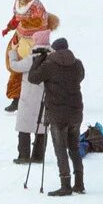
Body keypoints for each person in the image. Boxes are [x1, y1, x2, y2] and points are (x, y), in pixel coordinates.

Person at [25, 36, 87, 195]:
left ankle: (65, 185)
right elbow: (81, 76)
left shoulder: (49, 66)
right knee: (74, 148)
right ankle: (79, 183)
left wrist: (39, 61)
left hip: (57, 115)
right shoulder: (77, 64)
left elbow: (32, 78)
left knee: (60, 149)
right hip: (75, 113)